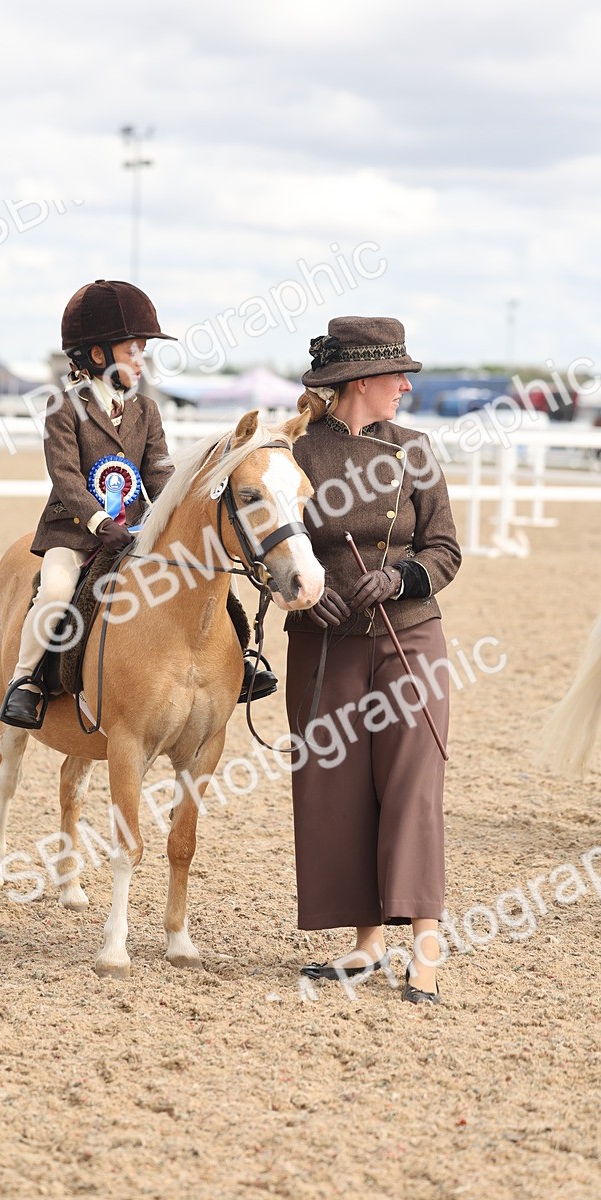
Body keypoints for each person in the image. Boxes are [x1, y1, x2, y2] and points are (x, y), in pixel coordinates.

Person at [0, 278, 276, 728]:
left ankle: (241, 659)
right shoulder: (62, 407)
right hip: (75, 531)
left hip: (136, 530)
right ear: (98, 355)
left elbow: (160, 472)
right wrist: (96, 521)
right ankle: (26, 680)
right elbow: (66, 478)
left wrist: (180, 512)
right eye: (135, 350)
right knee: (53, 591)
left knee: (215, 566)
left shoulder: (145, 410)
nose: (142, 360)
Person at [285, 316, 462, 1004]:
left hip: (409, 637)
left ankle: (424, 950)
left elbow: (444, 550)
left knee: (413, 783)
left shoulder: (416, 450)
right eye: (397, 377)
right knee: (337, 789)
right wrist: (303, 597)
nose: (404, 389)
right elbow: (266, 541)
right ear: (361, 381)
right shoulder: (295, 454)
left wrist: (401, 577)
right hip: (324, 643)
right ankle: (366, 945)